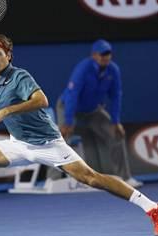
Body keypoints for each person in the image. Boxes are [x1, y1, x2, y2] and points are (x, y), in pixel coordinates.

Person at [0, 34, 158, 236]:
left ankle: (154, 208)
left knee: (92, 179)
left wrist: (7, 110)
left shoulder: (20, 76)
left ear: (8, 55)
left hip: (48, 144)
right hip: (19, 144)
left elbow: (41, 100)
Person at [55, 39, 142, 188]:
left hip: (93, 110)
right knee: (61, 138)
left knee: (117, 135)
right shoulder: (83, 68)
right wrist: (68, 122)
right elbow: (72, 94)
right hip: (69, 107)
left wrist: (116, 122)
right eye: (102, 54)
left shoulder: (113, 70)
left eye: (108, 54)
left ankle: (125, 178)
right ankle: (54, 179)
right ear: (94, 55)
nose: (105, 57)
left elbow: (116, 96)